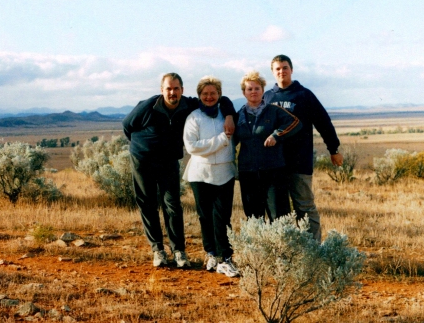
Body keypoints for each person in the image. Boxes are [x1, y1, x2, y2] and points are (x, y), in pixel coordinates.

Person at [122, 73, 236, 268]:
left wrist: (229, 115)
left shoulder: (188, 105)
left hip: (168, 160)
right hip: (143, 159)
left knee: (172, 204)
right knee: (148, 203)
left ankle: (178, 251)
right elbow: (127, 126)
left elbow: (220, 99)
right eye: (168, 88)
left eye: (176, 88)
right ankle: (158, 249)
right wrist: (143, 146)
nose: (172, 92)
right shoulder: (148, 106)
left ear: (182, 90)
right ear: (162, 90)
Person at [263, 55, 343, 242]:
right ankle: (287, 250)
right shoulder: (267, 97)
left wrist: (334, 149)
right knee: (279, 211)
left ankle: (312, 249)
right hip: (274, 165)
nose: (281, 71)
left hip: (299, 161)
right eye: (277, 69)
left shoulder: (304, 95)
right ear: (272, 72)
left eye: (285, 67)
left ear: (291, 70)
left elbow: (324, 122)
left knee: (305, 207)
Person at [182, 76, 239, 278]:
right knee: (205, 216)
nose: (209, 97)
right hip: (200, 173)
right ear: (199, 95)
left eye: (213, 93)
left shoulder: (227, 114)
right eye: (205, 94)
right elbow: (192, 147)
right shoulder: (194, 117)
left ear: (219, 95)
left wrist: (229, 117)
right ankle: (211, 254)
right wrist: (222, 140)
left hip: (225, 172)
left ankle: (226, 258)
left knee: (222, 217)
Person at [233, 71, 301, 222]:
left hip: (273, 171)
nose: (253, 92)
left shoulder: (273, 110)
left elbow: (295, 122)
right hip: (248, 172)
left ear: (263, 91)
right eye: (249, 89)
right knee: (253, 216)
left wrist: (276, 135)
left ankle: (281, 246)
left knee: (279, 215)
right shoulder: (239, 115)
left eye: (257, 88)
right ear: (244, 92)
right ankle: (258, 245)